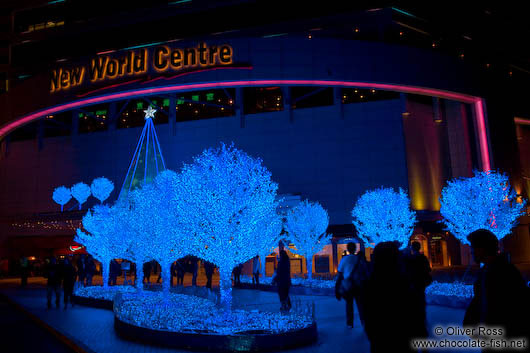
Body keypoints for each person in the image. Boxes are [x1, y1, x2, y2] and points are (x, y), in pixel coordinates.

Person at [463, 229, 529, 348]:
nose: (471, 251)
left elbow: (515, 308)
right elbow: (480, 302)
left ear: (482, 249)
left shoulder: (505, 272)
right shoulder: (486, 271)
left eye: (473, 247)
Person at [362, 241, 419, 352]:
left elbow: (368, 318)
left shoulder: (371, 285)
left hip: (380, 342)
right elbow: (414, 316)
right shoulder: (404, 283)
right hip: (404, 341)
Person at [403, 241, 432, 339]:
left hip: (412, 286)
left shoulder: (409, 259)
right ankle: (422, 327)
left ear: (412, 248)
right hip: (420, 285)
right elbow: (428, 270)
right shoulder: (423, 258)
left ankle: (415, 330)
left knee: (413, 307)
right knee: (421, 305)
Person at [335, 242, 367, 328]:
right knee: (360, 304)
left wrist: (337, 288)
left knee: (349, 304)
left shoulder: (344, 259)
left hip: (348, 285)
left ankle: (350, 323)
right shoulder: (358, 259)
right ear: (355, 249)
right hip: (359, 285)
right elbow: (364, 271)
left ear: (348, 249)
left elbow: (340, 274)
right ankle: (363, 322)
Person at [273, 241, 291, 313]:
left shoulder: (281, 263)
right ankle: (288, 305)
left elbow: (279, 273)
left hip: (281, 282)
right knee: (286, 294)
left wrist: (274, 280)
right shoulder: (287, 262)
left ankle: (284, 306)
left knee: (282, 294)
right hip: (287, 282)